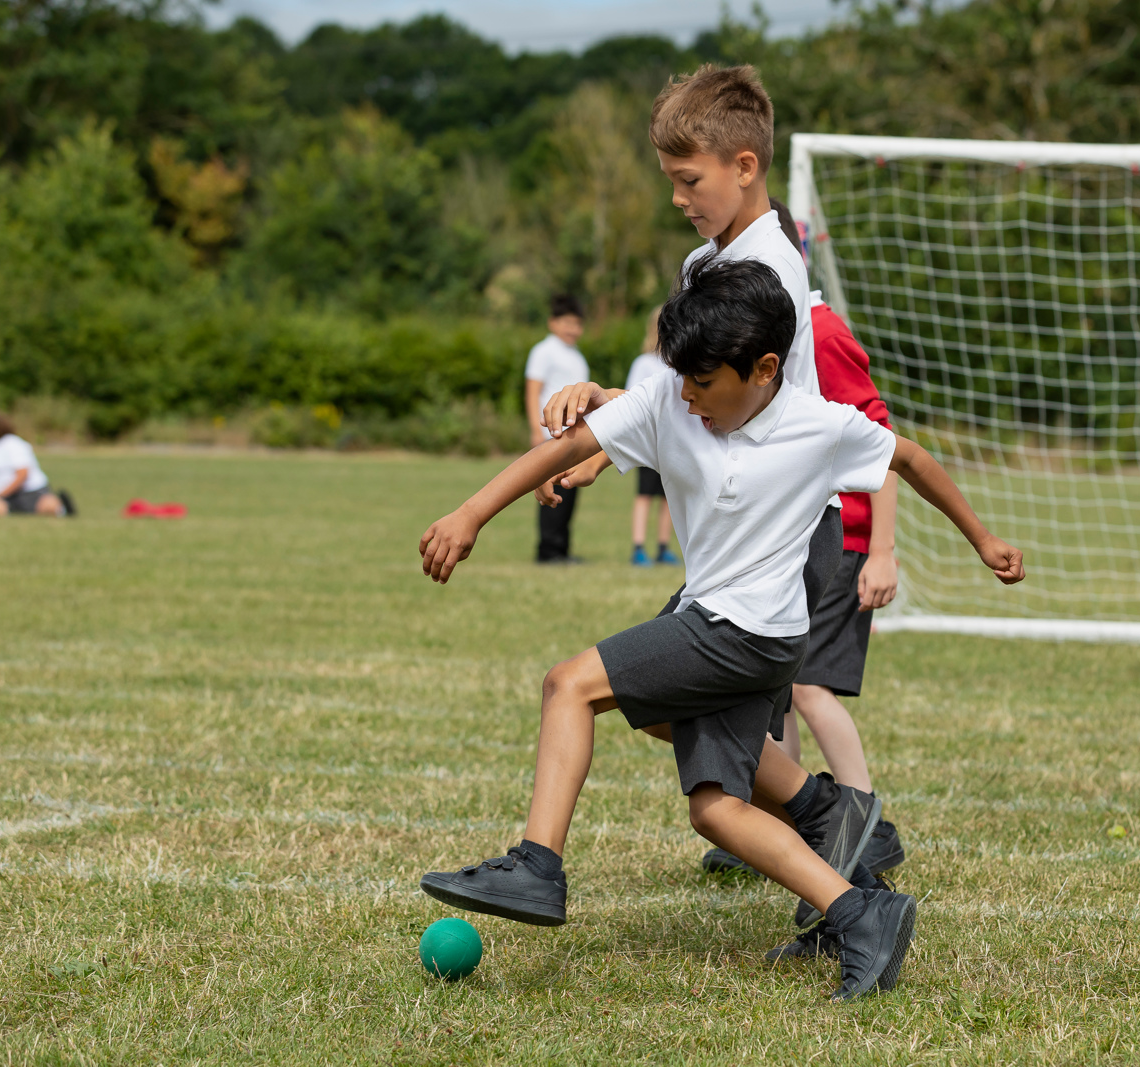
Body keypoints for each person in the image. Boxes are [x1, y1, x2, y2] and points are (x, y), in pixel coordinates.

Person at [416, 258, 1024, 999]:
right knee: (716, 808)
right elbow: (567, 448)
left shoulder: (816, 424)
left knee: (569, 684)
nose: (689, 396)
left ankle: (537, 866)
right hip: (733, 629)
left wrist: (982, 538)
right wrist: (471, 511)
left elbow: (911, 458)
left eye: (704, 382)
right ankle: (860, 903)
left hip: (746, 633)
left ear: (766, 368)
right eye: (682, 378)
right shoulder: (671, 401)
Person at [702, 199, 904, 903]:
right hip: (787, 539)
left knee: (812, 686)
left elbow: (882, 445)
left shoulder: (820, 330)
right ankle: (780, 822)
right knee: (774, 694)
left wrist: (882, 549)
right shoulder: (765, 337)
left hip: (841, 541)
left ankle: (863, 817)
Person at [525, 294, 590, 563]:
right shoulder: (544, 351)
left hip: (573, 434)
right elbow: (533, 391)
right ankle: (548, 550)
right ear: (552, 323)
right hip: (551, 431)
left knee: (569, 488)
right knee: (549, 488)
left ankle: (561, 548)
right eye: (566, 322)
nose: (572, 329)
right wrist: (534, 430)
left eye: (577, 323)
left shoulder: (577, 356)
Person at [624, 308, 678, 567]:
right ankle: (638, 547)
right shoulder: (643, 363)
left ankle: (663, 547)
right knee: (644, 494)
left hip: (674, 441)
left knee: (669, 496)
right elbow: (630, 398)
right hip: (649, 440)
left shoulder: (677, 363)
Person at [0, 411, 74, 517]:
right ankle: (14, 513)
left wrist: (2, 493)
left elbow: (23, 474)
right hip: (6, 496)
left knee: (47, 506)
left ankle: (60, 507)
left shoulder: (12, 443)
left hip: (30, 492)